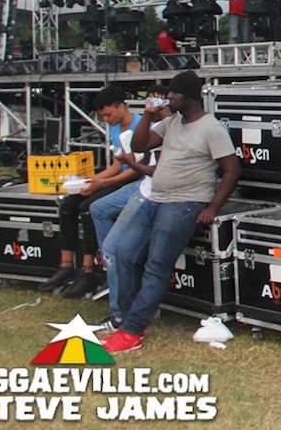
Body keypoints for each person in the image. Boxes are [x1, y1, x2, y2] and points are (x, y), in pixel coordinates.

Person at [102, 71, 241, 354]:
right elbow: (140, 146)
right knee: (124, 253)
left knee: (156, 266)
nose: (169, 97)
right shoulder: (171, 122)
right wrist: (147, 114)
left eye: (174, 94)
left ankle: (131, 331)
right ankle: (126, 320)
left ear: (189, 97)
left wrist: (213, 207)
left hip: (185, 202)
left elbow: (232, 170)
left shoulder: (211, 128)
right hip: (155, 198)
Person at [38, 86, 143, 299]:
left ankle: (89, 270)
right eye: (102, 116)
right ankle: (66, 264)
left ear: (121, 106)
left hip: (134, 181)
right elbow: (117, 164)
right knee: (68, 204)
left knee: (88, 208)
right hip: (115, 178)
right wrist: (93, 179)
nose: (106, 119)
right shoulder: (115, 129)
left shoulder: (139, 126)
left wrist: (102, 183)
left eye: (108, 114)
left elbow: (135, 170)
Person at [90, 85, 169, 334]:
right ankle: (120, 298)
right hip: (146, 189)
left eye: (157, 104)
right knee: (111, 240)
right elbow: (144, 162)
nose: (106, 120)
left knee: (120, 250)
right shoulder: (150, 126)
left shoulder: (172, 127)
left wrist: (108, 178)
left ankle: (125, 312)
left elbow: (147, 169)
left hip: (156, 193)